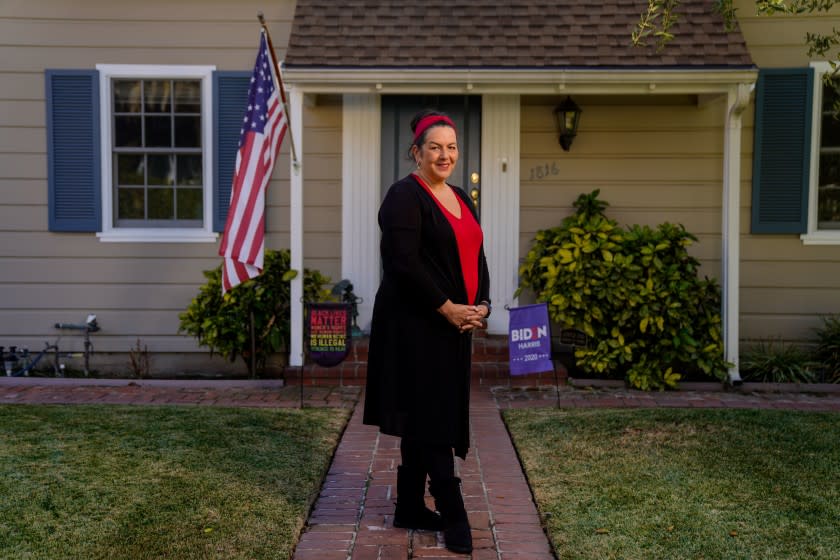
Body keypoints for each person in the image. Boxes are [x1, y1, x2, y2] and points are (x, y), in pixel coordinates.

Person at [363, 110, 491, 554]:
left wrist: (482, 304)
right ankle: (455, 514)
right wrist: (447, 307)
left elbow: (477, 253)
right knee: (433, 415)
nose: (445, 154)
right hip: (414, 323)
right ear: (416, 152)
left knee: (426, 410)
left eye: (451, 146)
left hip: (454, 323)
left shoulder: (461, 197)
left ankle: (411, 507)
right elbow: (404, 263)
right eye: (434, 146)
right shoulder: (404, 196)